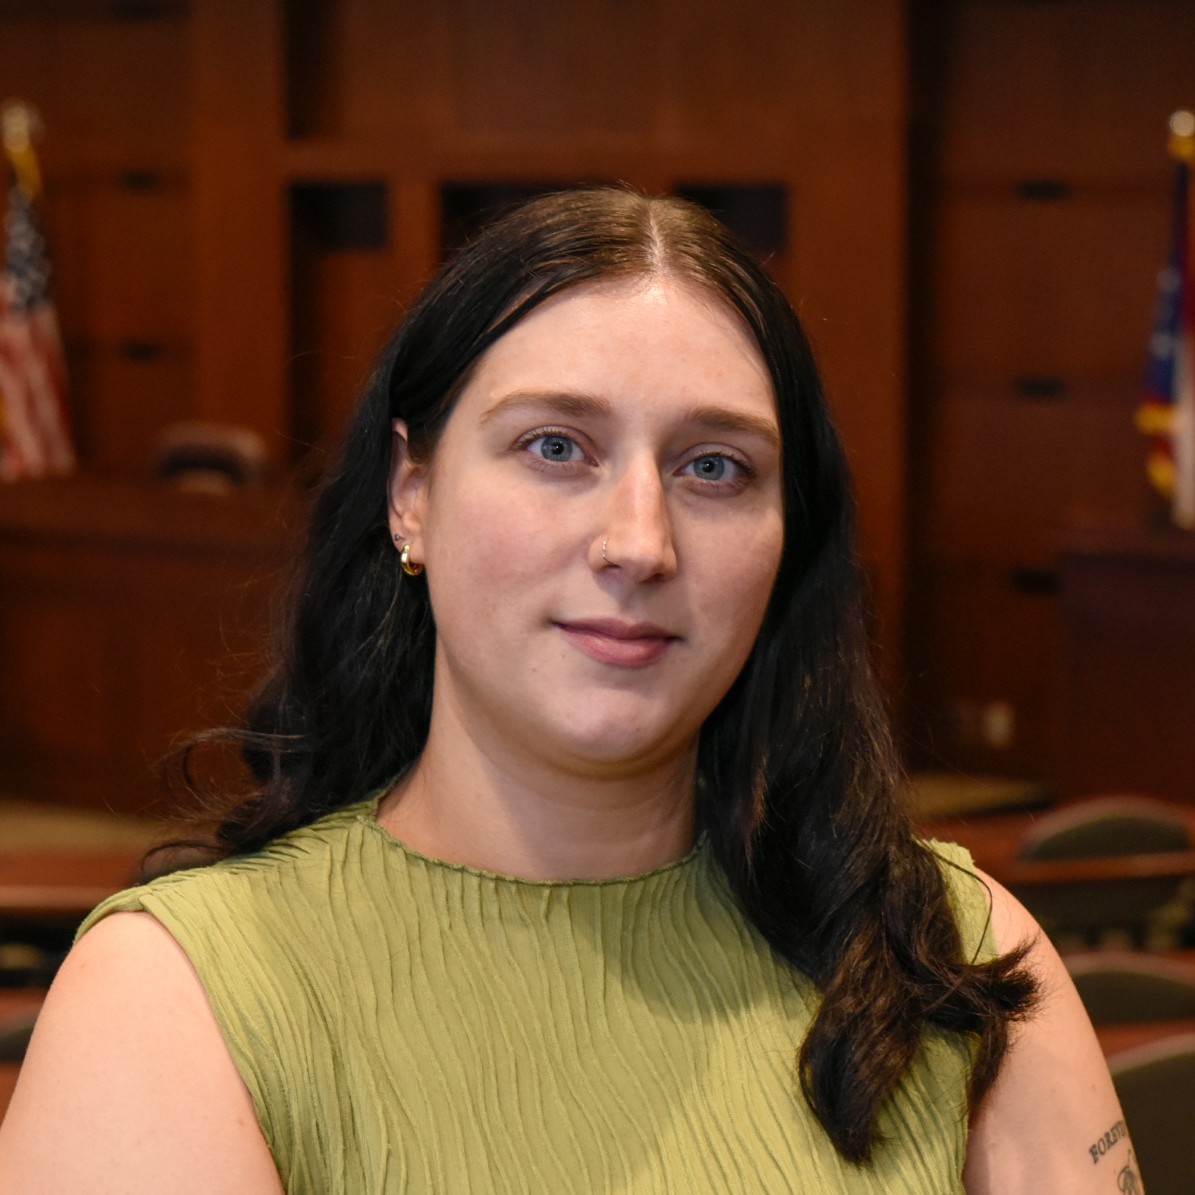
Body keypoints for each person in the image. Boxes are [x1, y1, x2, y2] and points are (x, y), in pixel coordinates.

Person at [0, 189, 1135, 1193]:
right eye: (555, 447)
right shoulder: (176, 997)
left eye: (714, 467)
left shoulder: (947, 946)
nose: (638, 542)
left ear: (788, 540)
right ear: (412, 493)